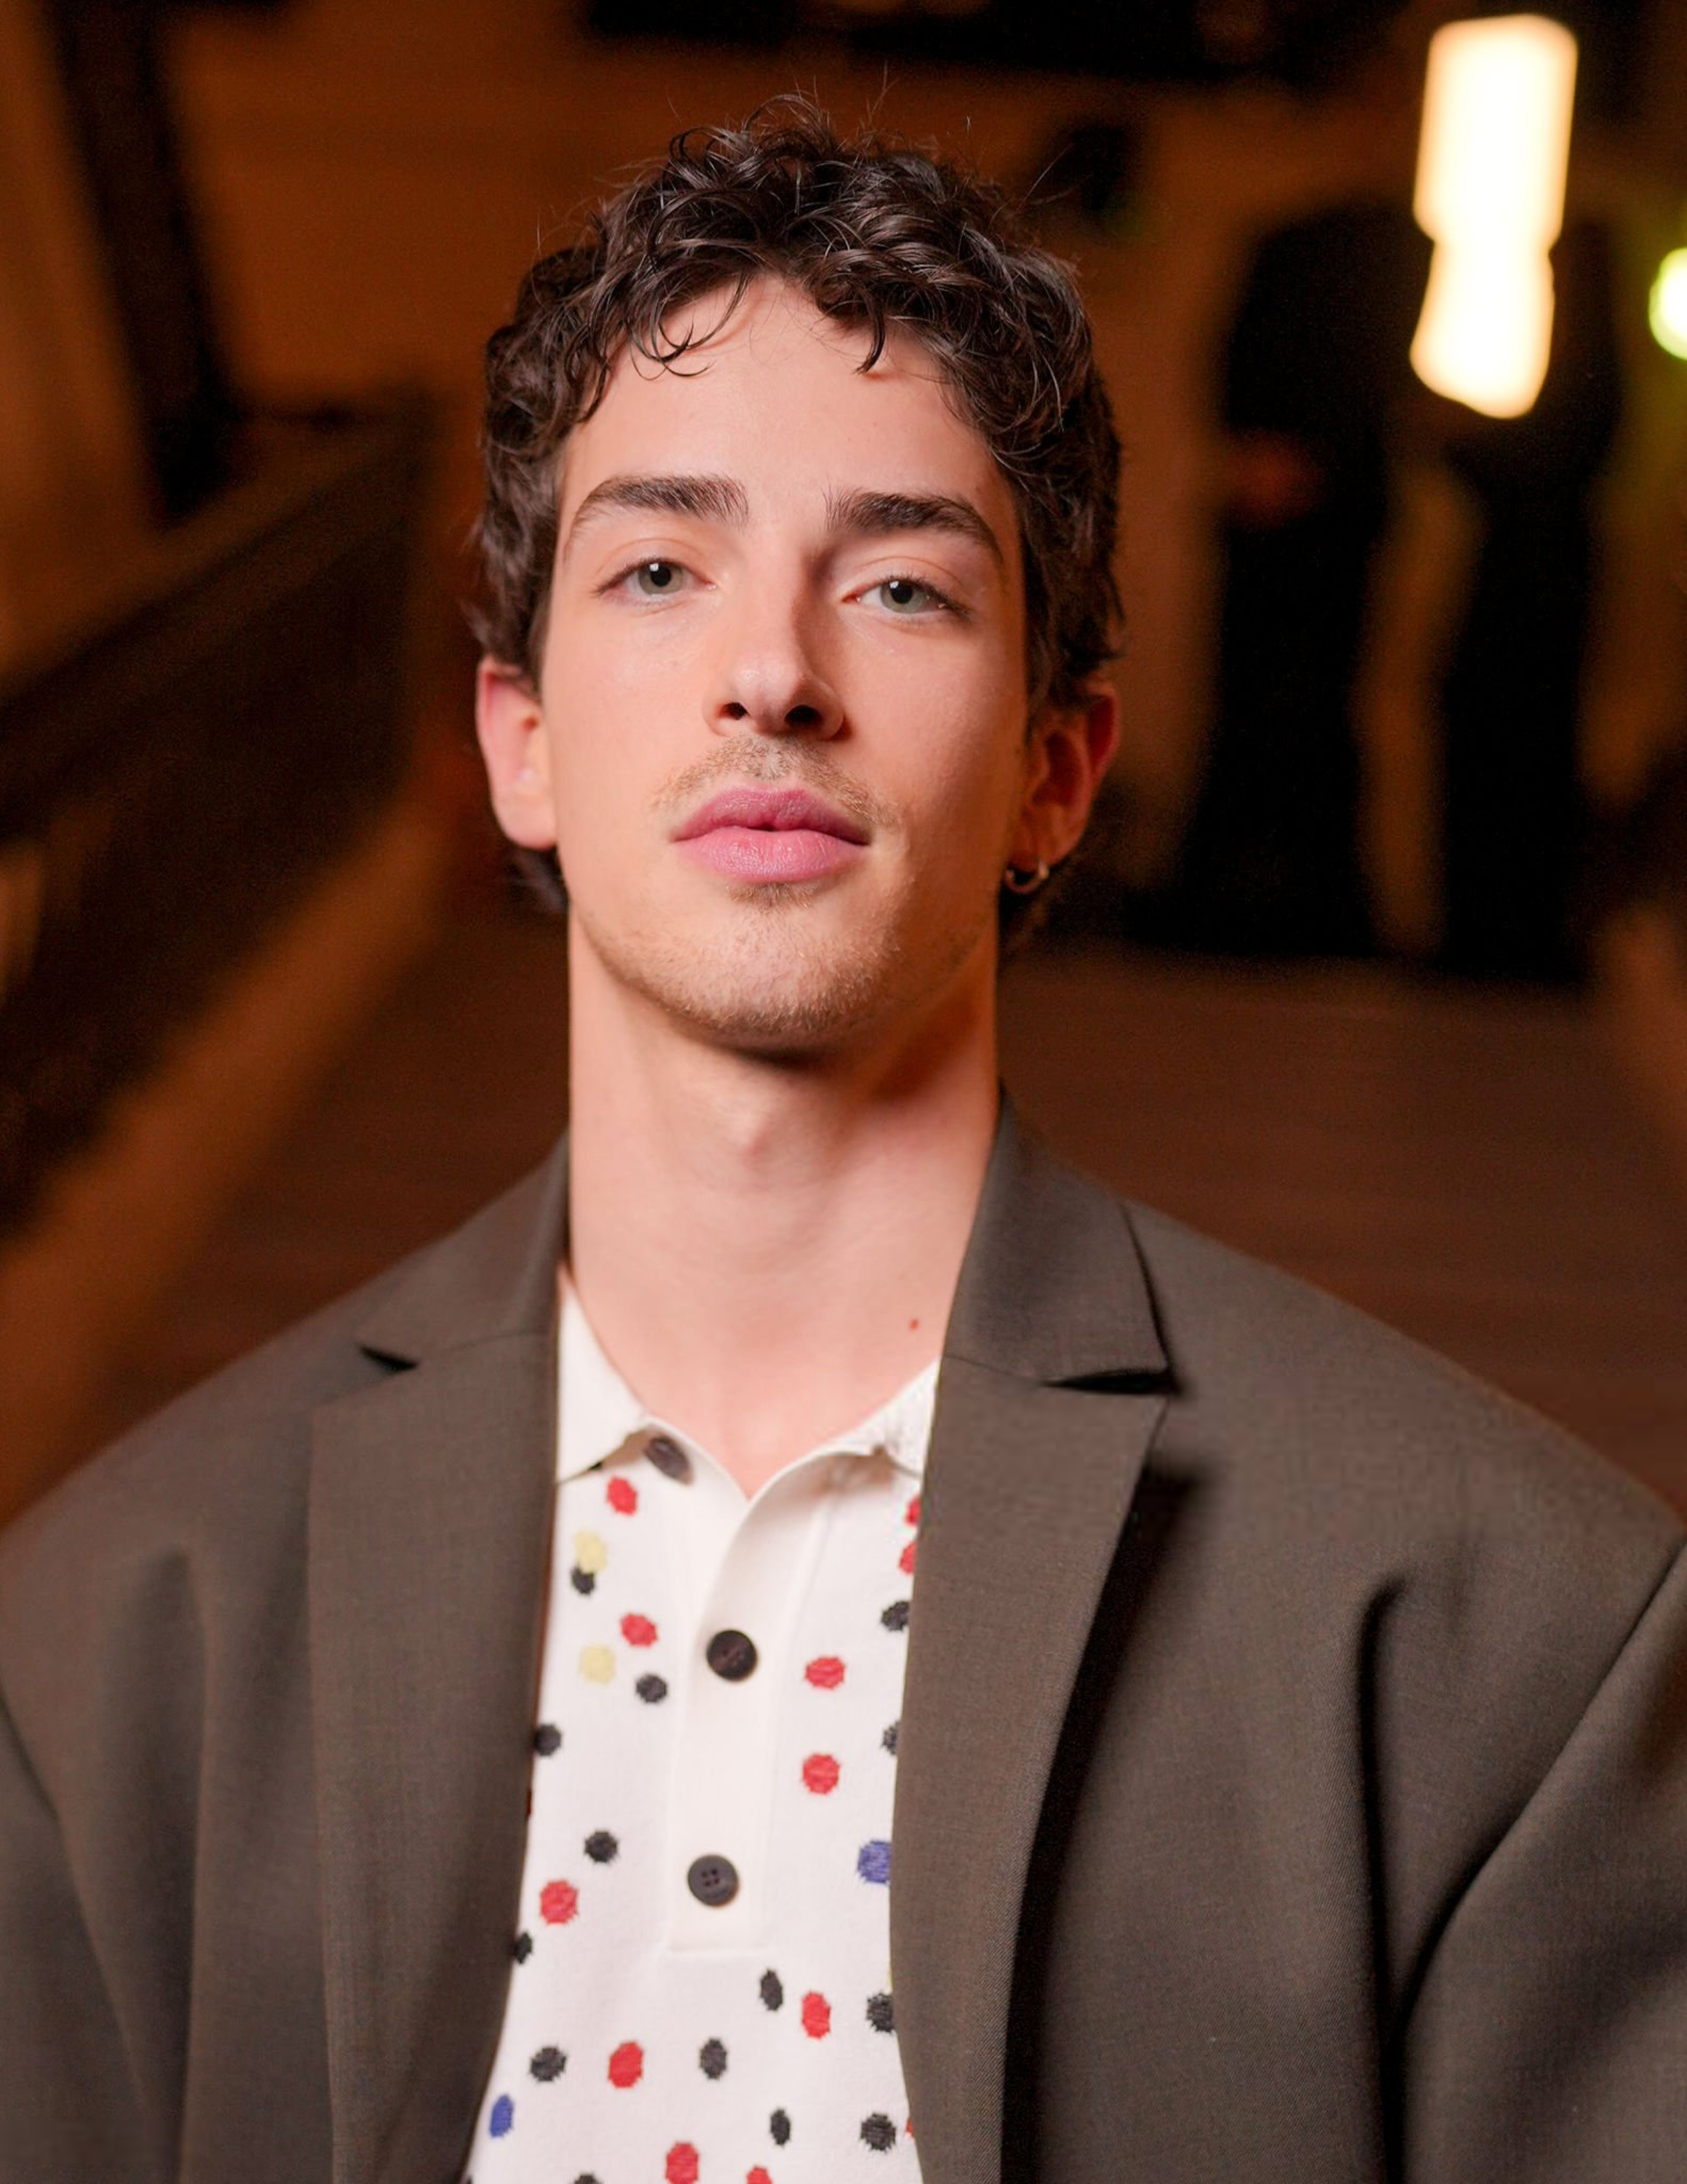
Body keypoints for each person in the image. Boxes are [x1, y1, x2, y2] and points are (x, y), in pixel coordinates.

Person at [1, 100, 1684, 2184]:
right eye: (659, 568)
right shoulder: (113, 1638)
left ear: (1060, 768)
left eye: (899, 584)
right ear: (520, 743)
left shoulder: (1510, 1639)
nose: (772, 676)